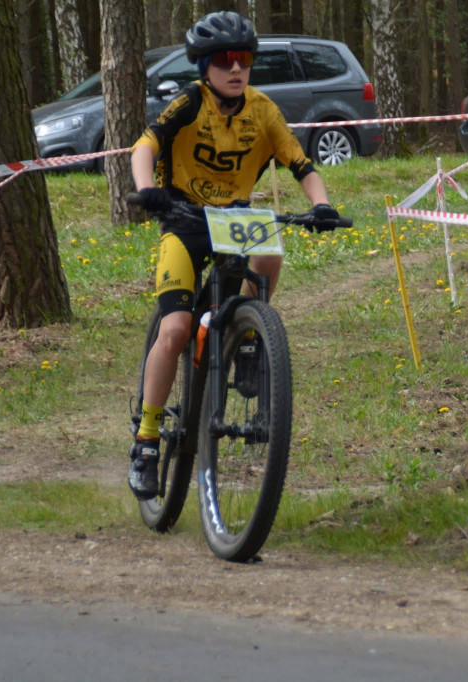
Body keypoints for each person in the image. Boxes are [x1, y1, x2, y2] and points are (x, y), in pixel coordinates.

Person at [127, 10, 341, 499]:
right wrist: (146, 189)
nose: (236, 68)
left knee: (271, 251)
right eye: (224, 60)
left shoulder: (262, 110)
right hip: (184, 221)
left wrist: (321, 203)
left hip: (233, 219)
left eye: (243, 59)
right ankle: (146, 440)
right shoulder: (188, 102)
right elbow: (145, 147)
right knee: (177, 328)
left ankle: (246, 335)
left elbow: (301, 163)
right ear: (203, 66)